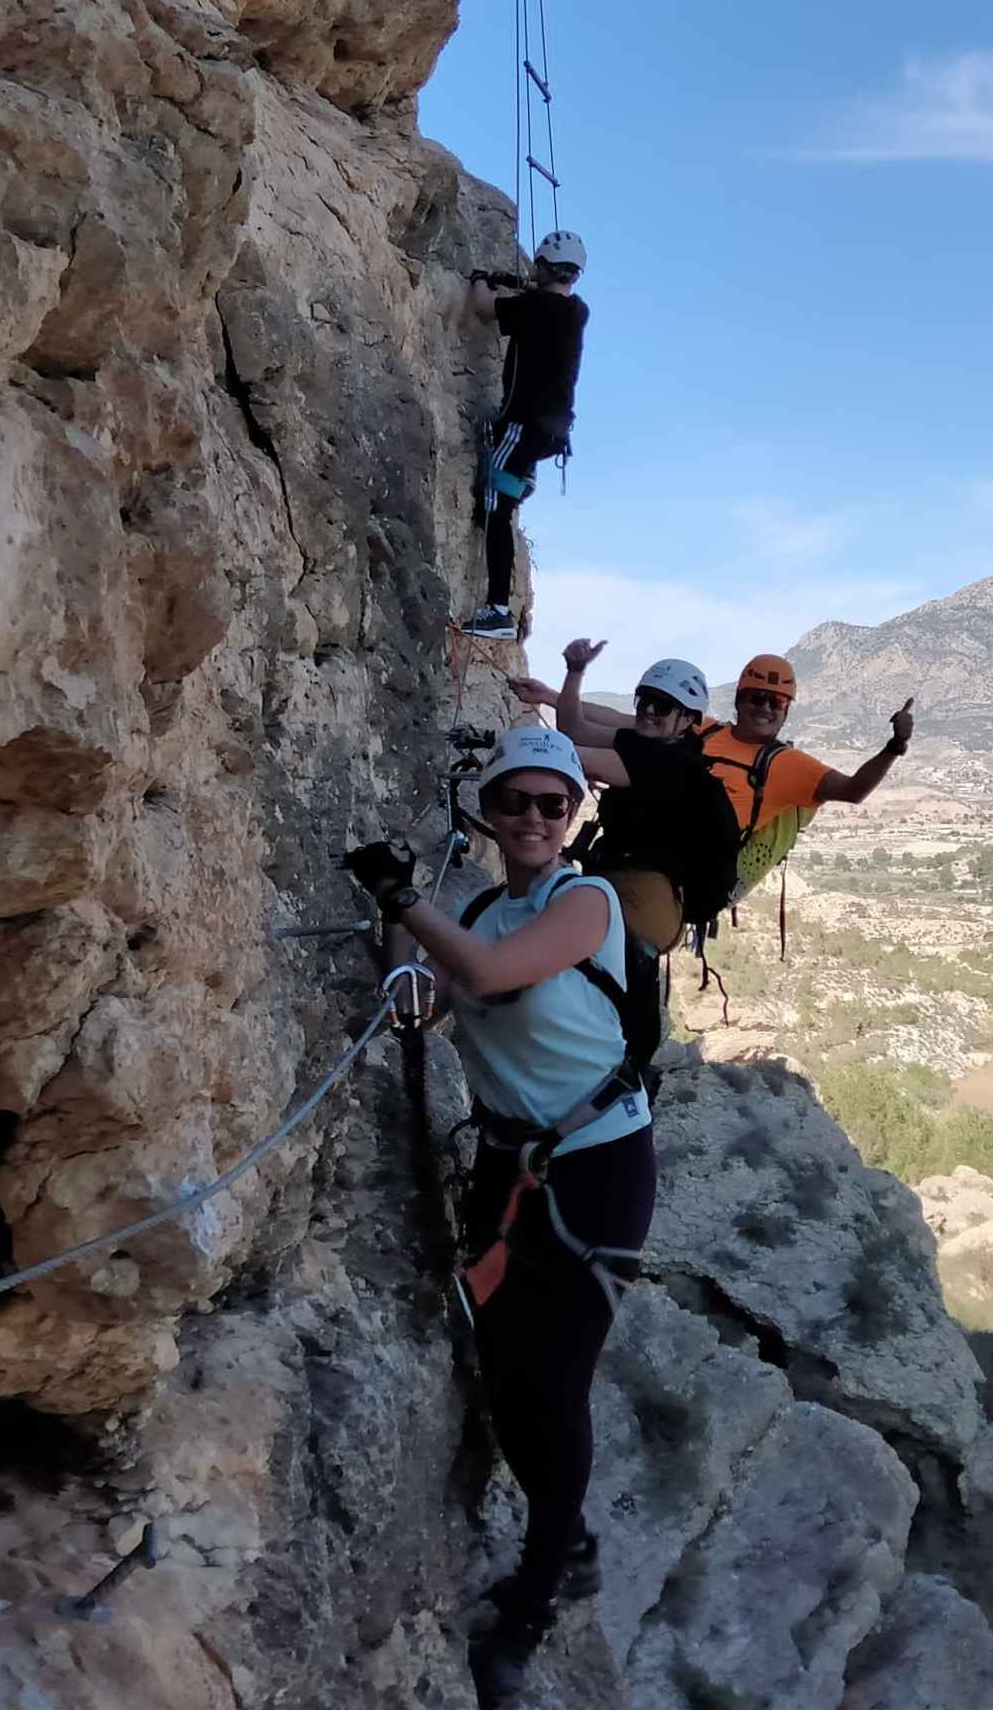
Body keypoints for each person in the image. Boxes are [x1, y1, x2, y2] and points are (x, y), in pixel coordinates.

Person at [343, 726, 650, 1707]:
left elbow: (484, 975)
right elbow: (430, 993)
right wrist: (400, 939)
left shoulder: (586, 900)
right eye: (514, 801)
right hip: (507, 1161)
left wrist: (402, 901)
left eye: (551, 804)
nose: (531, 817)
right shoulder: (478, 906)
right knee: (506, 1372)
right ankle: (569, 1529)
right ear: (489, 809)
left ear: (573, 815)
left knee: (553, 1383)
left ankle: (532, 1603)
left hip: (599, 1166)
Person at [514, 651, 917, 904]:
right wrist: (550, 694)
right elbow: (625, 723)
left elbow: (853, 790)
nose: (764, 707)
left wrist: (893, 748)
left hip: (684, 870)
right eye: (755, 696)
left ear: (787, 711)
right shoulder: (701, 730)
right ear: (739, 700)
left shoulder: (788, 765)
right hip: (639, 844)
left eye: (775, 701)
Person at [509, 641, 739, 1077]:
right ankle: (623, 1060)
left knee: (594, 977)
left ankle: (609, 1065)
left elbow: (574, 753)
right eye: (644, 700)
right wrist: (574, 672)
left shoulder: (660, 763)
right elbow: (575, 726)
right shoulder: (654, 748)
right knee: (614, 984)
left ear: (687, 721)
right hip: (642, 894)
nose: (649, 711)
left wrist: (510, 751)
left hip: (641, 895)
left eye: (663, 706)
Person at [460, 231, 588, 641]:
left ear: (545, 265)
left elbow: (483, 310)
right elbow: (543, 294)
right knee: (505, 500)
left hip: (523, 424)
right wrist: (521, 284)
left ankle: (497, 608)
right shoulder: (575, 309)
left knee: (495, 505)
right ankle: (521, 481)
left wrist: (480, 278)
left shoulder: (538, 306)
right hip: (550, 431)